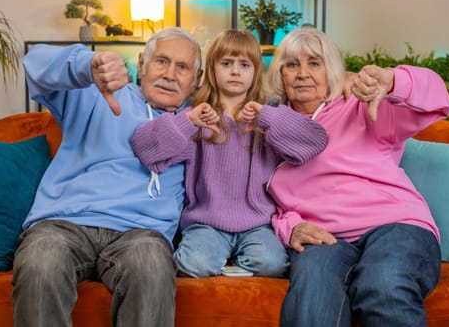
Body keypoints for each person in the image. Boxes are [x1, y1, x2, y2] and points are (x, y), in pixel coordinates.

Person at [11, 27, 203, 327]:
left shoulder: (199, 125)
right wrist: (87, 66)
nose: (170, 74)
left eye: (182, 67)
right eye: (161, 61)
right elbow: (34, 63)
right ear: (141, 63)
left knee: (151, 265)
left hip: (141, 234)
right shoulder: (98, 93)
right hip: (66, 224)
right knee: (41, 259)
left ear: (196, 80)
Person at [266, 26, 449, 326]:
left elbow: (437, 97)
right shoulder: (269, 127)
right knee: (312, 305)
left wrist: (393, 82)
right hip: (324, 239)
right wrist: (290, 227)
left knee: (383, 283)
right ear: (280, 75)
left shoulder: (363, 104)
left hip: (395, 226)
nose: (302, 73)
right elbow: (259, 201)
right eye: (292, 64)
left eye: (315, 63)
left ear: (333, 71)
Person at [132, 29, 327, 278]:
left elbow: (315, 141)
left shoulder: (271, 114)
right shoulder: (196, 115)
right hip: (206, 224)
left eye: (244, 65)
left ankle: (230, 265)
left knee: (273, 264)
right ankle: (223, 262)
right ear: (212, 69)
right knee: (193, 264)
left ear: (256, 71)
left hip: (258, 224)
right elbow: (146, 149)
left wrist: (265, 117)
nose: (235, 71)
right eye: (226, 63)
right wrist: (188, 122)